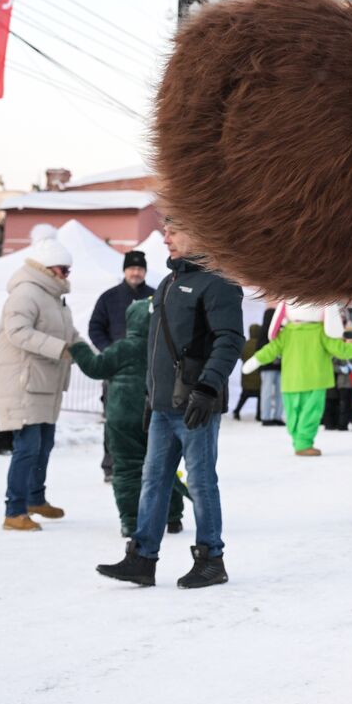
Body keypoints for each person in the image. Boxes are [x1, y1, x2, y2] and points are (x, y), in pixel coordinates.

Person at [96, 218, 243, 587]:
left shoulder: (219, 282)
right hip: (162, 405)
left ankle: (212, 559)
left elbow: (230, 340)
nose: (166, 238)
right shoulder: (168, 282)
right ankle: (142, 559)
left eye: (175, 229)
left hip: (196, 403)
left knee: (201, 482)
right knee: (153, 481)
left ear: (200, 232)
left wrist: (208, 388)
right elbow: (157, 349)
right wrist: (150, 395)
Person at [70, 299, 189, 537]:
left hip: (121, 418)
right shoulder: (164, 349)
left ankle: (131, 520)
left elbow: (95, 367)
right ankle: (173, 516)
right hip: (156, 415)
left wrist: (78, 348)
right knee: (163, 467)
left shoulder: (122, 348)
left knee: (126, 470)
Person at [0, 235, 78, 531]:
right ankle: (14, 511)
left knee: (44, 444)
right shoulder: (25, 293)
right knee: (27, 447)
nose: (66, 275)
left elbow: (70, 334)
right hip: (24, 383)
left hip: (46, 383)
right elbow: (17, 331)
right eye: (63, 269)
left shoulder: (53, 298)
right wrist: (60, 349)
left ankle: (35, 498)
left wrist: (89, 354)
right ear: (47, 267)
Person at [242, 303, 352, 455]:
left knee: (294, 413)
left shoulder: (286, 332)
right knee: (311, 413)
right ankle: (302, 443)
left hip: (292, 380)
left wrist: (256, 360)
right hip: (316, 380)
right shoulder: (320, 331)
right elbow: (340, 349)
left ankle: (300, 442)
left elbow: (271, 349)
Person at [89, 250, 155, 483]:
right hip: (116, 372)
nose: (135, 272)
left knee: (146, 418)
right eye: (131, 268)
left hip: (147, 371)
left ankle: (145, 464)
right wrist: (110, 352)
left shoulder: (155, 297)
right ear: (124, 270)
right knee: (114, 419)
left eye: (139, 268)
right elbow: (95, 328)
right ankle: (111, 465)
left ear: (145, 271)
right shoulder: (109, 297)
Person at [234, 323, 263, 420]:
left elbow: (239, 356)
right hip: (259, 378)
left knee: (244, 395)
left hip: (246, 376)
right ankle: (259, 415)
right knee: (260, 396)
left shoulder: (244, 345)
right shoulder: (261, 345)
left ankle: (237, 411)